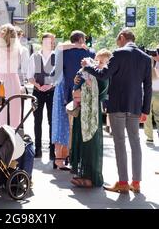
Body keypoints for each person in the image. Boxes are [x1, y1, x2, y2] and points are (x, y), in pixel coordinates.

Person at [81, 28, 152, 193]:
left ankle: (122, 182)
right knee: (135, 142)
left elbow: (104, 74)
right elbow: (147, 86)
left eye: (117, 39)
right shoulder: (146, 58)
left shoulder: (118, 53)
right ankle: (136, 182)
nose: (116, 42)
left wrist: (87, 66)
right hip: (135, 106)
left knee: (119, 142)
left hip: (117, 105)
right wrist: (145, 110)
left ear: (122, 37)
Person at [70, 49, 112, 188]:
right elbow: (79, 82)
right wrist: (78, 81)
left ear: (108, 63)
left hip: (92, 115)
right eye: (97, 60)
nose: (98, 64)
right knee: (82, 143)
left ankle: (90, 178)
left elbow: (99, 93)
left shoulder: (105, 76)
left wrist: (86, 83)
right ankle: (82, 174)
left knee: (90, 146)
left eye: (102, 61)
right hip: (82, 111)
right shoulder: (92, 72)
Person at [51, 40, 90, 169]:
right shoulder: (85, 52)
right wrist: (77, 45)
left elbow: (54, 75)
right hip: (72, 91)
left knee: (61, 124)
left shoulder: (63, 54)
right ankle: (63, 158)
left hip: (62, 91)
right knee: (68, 126)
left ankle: (60, 158)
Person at [27, 33, 56, 159]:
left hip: (52, 92)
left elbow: (58, 76)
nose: (47, 44)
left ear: (53, 43)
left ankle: (52, 150)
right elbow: (30, 76)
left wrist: (49, 86)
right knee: (37, 121)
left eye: (50, 41)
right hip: (37, 92)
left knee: (51, 121)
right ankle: (38, 149)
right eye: (45, 41)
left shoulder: (57, 57)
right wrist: (39, 86)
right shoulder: (35, 56)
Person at [0, 24, 22, 128]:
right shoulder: (18, 49)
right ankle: (13, 131)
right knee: (14, 107)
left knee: (0, 106)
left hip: (0, 81)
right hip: (13, 80)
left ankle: (0, 131)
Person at [144, 54, 159, 143]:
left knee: (147, 114)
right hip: (156, 92)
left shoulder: (148, 66)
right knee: (157, 114)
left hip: (150, 92)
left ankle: (149, 137)